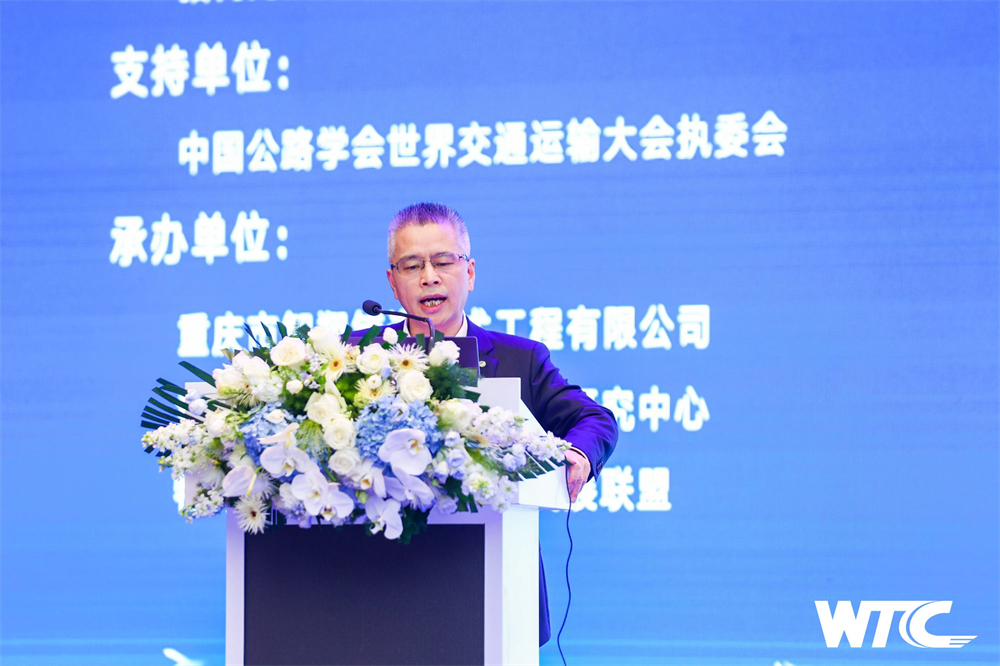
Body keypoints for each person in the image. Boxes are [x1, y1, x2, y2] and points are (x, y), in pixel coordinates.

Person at [384, 202, 619, 646]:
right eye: (412, 265)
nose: (429, 277)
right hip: (377, 581)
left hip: (494, 584)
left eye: (443, 261)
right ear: (393, 283)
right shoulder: (355, 357)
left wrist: (578, 453)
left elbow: (594, 419)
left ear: (469, 273)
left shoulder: (518, 359)